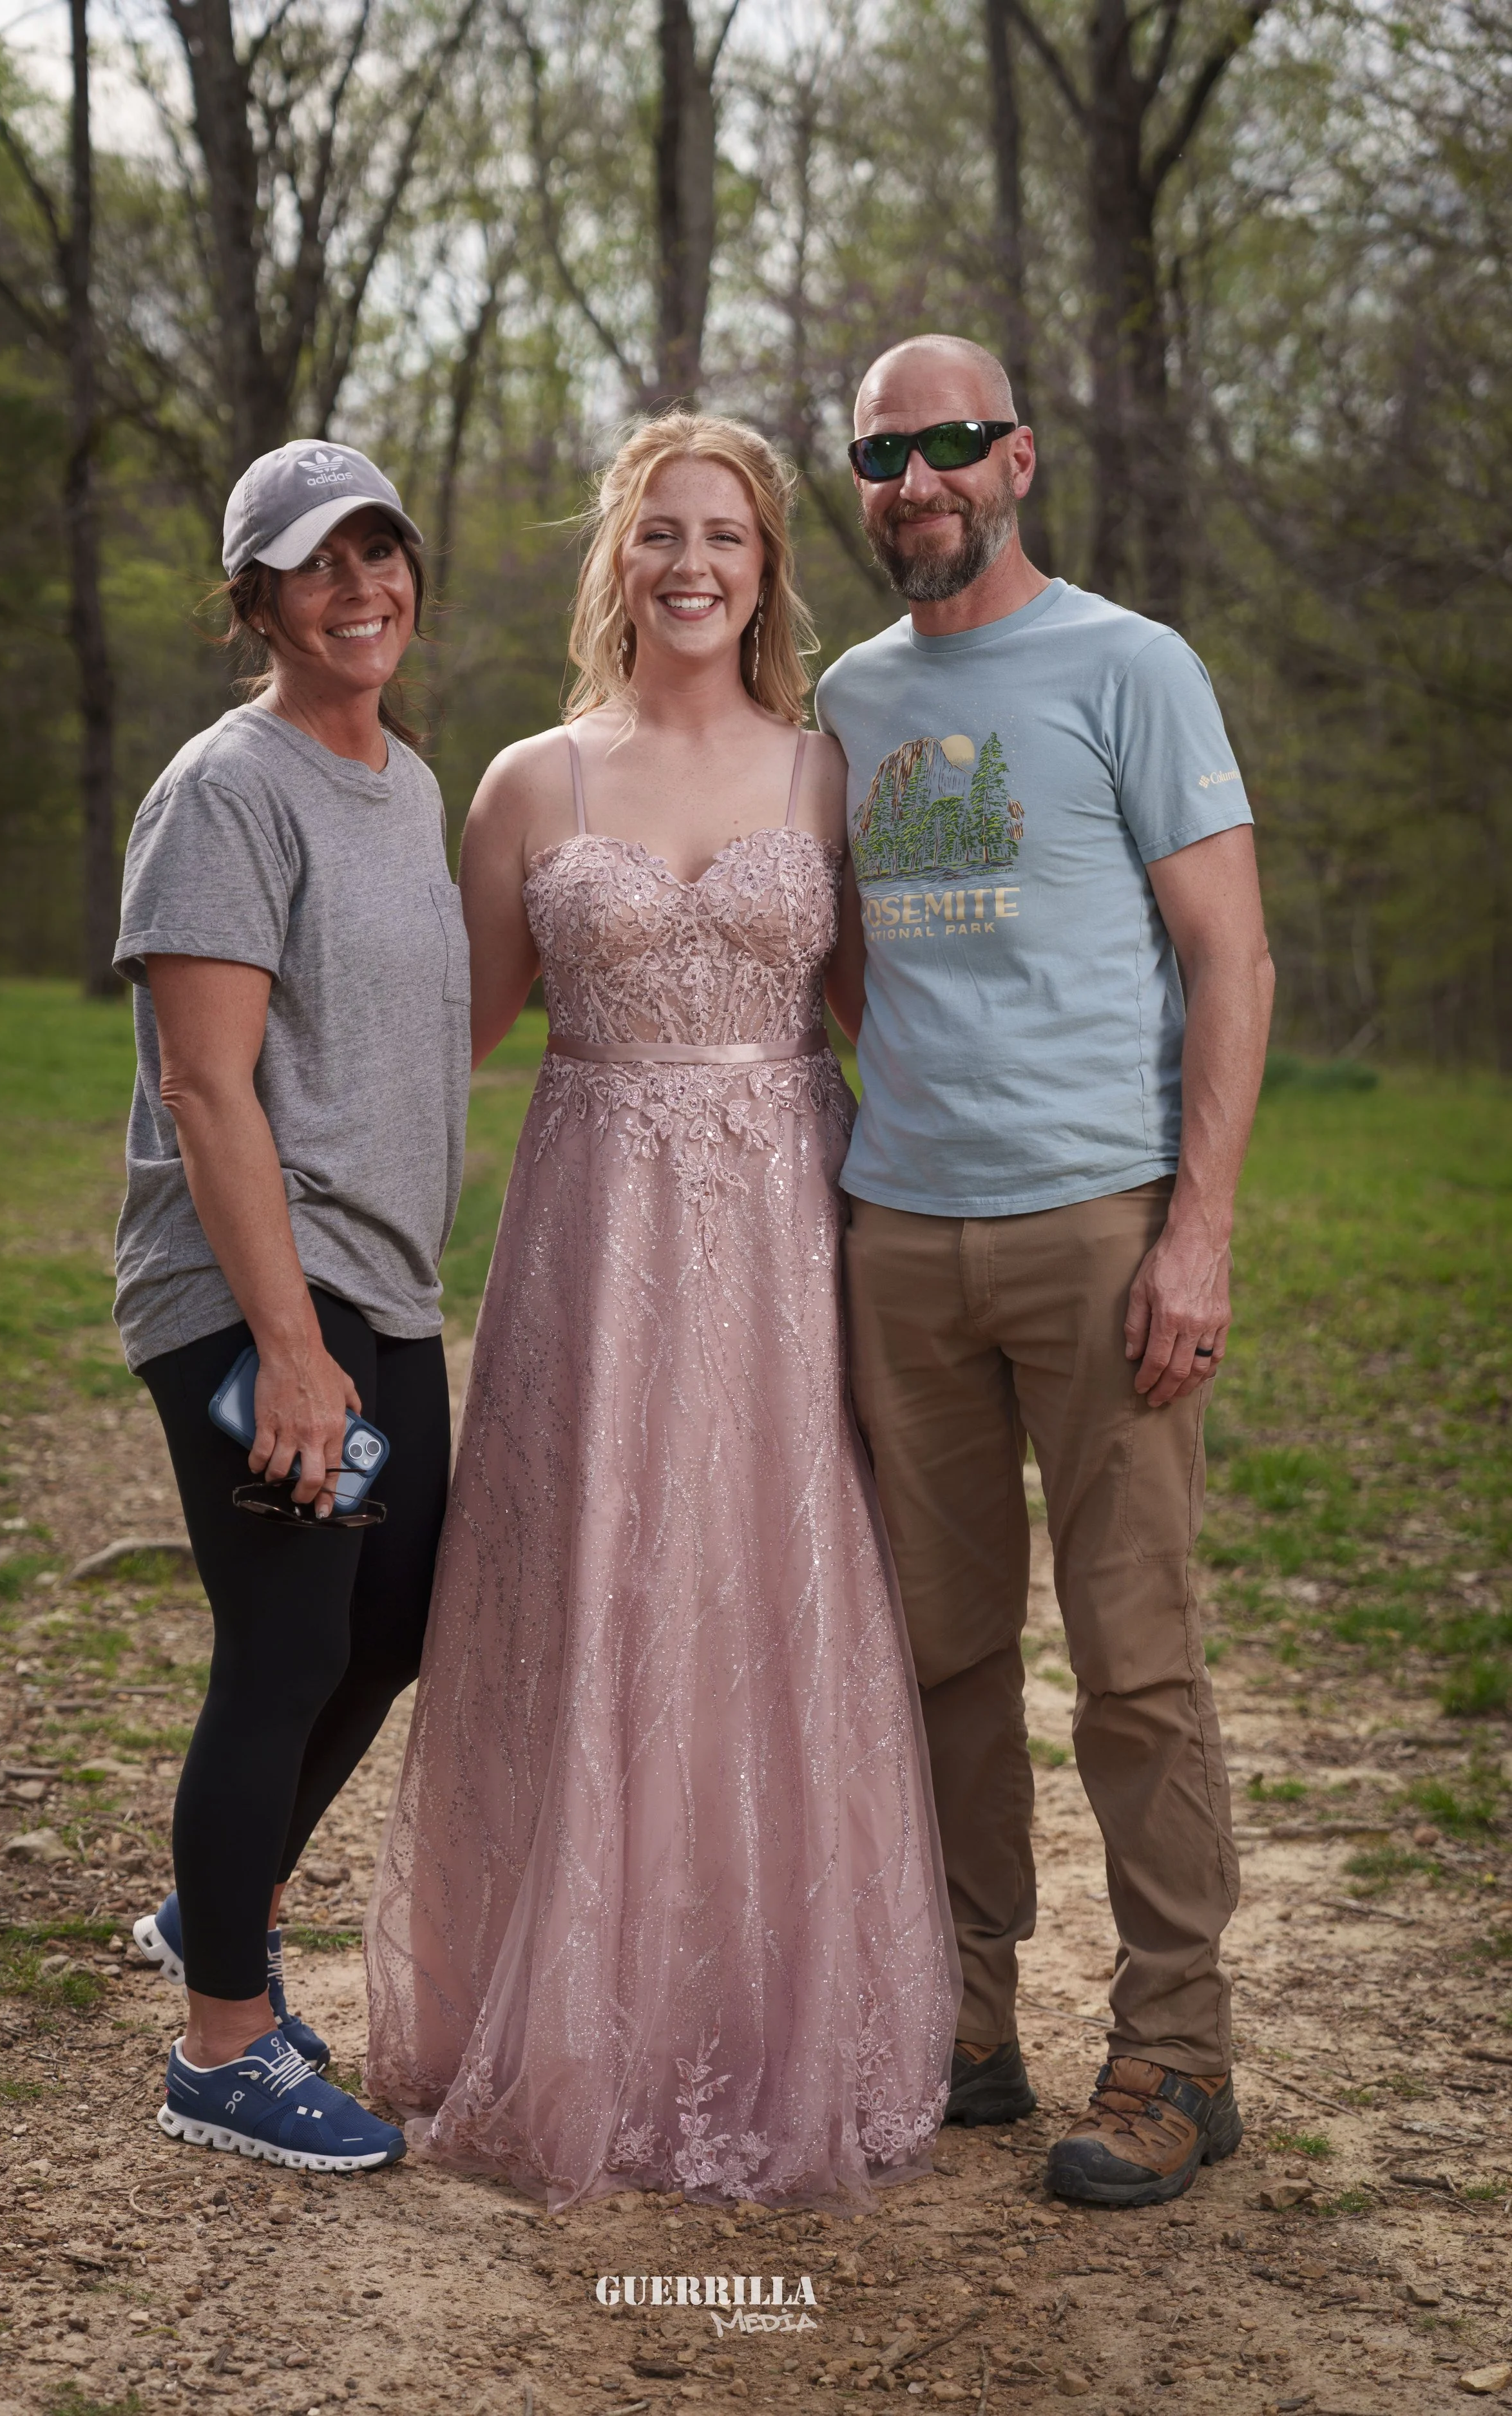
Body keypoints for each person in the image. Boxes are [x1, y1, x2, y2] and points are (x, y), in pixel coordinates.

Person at [364, 411, 957, 2207]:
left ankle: (768, 2007)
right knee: (592, 1574)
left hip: (783, 1240)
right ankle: (565, 2007)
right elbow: (444, 1045)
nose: (690, 565)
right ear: (615, 561)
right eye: (658, 533)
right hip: (594, 1241)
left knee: (772, 1581)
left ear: (766, 571)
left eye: (724, 537)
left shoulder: (824, 773)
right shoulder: (528, 784)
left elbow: (896, 1019)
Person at [816, 336, 1274, 2209]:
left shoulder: (1130, 665)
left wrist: (1195, 1231)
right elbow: (849, 956)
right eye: (880, 453)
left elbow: (1231, 959)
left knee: (1134, 1661)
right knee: (937, 1654)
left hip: (1100, 1230)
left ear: (1014, 459)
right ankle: (960, 2019)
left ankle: (1177, 2051)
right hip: (901, 1238)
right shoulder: (845, 698)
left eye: (946, 444)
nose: (914, 480)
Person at [113, 440, 470, 2172]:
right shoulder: (224, 789)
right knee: (285, 1645)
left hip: (379, 1279)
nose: (357, 588)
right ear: (255, 600)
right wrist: (287, 1344)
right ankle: (222, 2046)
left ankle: (222, 1899)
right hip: (257, 1286)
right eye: (316, 563)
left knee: (390, 1623)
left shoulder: (406, 783)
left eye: (378, 551)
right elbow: (204, 1084)